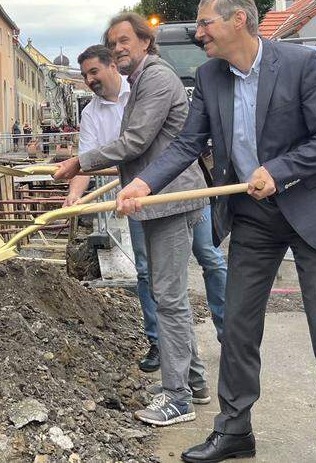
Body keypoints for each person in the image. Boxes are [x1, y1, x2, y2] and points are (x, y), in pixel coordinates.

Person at [117, 0, 316, 463]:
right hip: (254, 218)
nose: (198, 31)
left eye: (205, 22)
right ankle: (234, 431)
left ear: (239, 21)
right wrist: (144, 185)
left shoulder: (300, 64)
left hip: (311, 212)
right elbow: (188, 143)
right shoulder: (210, 76)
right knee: (238, 327)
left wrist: (282, 170)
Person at [54, 14, 209, 428]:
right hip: (154, 201)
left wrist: (78, 163)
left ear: (145, 40)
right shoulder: (141, 80)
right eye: (112, 42)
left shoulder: (156, 79)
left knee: (170, 299)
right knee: (166, 295)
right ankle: (193, 382)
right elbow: (139, 149)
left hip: (172, 200)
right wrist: (86, 178)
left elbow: (136, 141)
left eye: (125, 40)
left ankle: (177, 397)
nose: (118, 47)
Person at [67, 43, 229, 370]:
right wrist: (73, 196)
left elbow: (135, 143)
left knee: (209, 256)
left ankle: (229, 331)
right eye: (84, 75)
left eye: (94, 71)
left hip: (180, 189)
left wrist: (78, 165)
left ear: (112, 66)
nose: (89, 80)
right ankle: (159, 342)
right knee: (147, 271)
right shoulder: (92, 113)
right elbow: (86, 162)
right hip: (139, 197)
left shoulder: (145, 88)